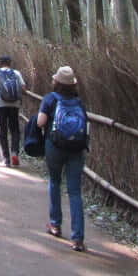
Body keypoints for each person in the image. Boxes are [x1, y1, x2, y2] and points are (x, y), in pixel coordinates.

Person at [37, 65, 88, 252]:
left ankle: (55, 225)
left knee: (55, 182)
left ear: (56, 82)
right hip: (76, 149)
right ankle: (78, 238)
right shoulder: (78, 102)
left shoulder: (50, 99)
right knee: (75, 192)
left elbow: (40, 122)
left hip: (55, 146)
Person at [0, 55, 25, 166]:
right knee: (15, 130)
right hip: (14, 104)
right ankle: (15, 153)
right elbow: (23, 88)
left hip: (1, 104)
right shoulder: (16, 73)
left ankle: (6, 159)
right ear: (10, 63)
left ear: (0, 63)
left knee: (2, 130)